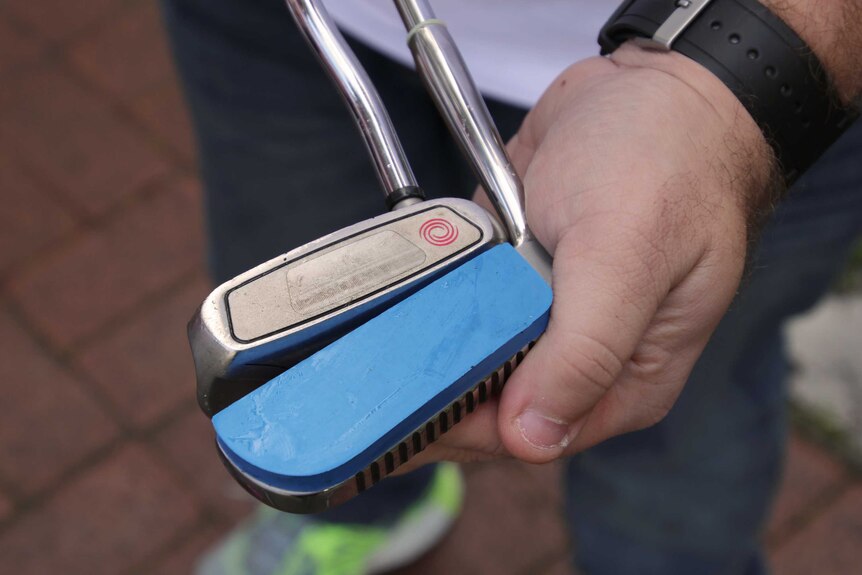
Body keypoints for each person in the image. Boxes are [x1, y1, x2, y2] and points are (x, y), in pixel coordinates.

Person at [161, 0, 862, 573]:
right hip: (286, 28)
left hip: (734, 82)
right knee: (315, 384)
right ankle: (367, 515)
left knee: (679, 430)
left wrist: (742, 63)